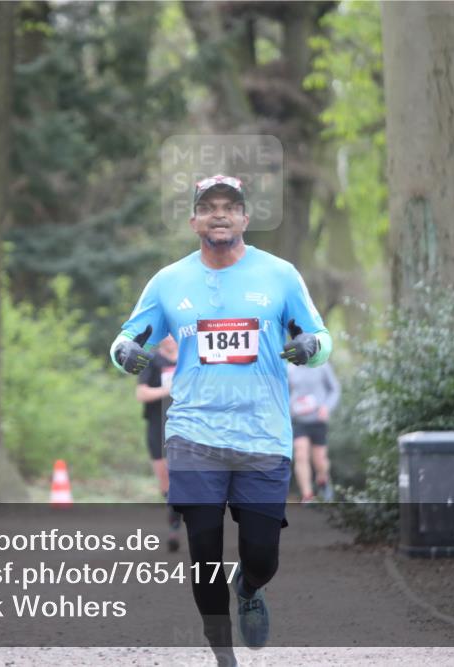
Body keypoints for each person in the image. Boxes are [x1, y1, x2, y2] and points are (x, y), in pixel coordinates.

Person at [110, 174, 331, 666]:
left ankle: (250, 587)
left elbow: (320, 337)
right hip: (193, 435)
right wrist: (123, 352)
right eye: (208, 206)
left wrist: (311, 347)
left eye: (230, 206)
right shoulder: (169, 281)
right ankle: (223, 655)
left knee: (261, 554)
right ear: (193, 221)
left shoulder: (280, 276)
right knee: (204, 552)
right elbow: (128, 337)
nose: (219, 213)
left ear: (245, 218)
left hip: (263, 434)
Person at [135, 334, 182, 551]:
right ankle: (175, 518)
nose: (169, 339)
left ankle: (178, 526)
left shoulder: (189, 358)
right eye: (165, 335)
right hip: (157, 424)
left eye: (173, 334)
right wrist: (169, 390)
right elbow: (141, 393)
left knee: (180, 473)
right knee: (166, 482)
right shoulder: (152, 361)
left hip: (185, 425)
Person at [288, 361, 340, 502]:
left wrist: (327, 407)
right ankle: (307, 495)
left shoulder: (323, 366)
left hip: (318, 420)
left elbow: (334, 389)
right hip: (299, 421)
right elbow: (284, 393)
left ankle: (323, 480)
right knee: (300, 454)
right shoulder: (290, 368)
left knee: (320, 460)